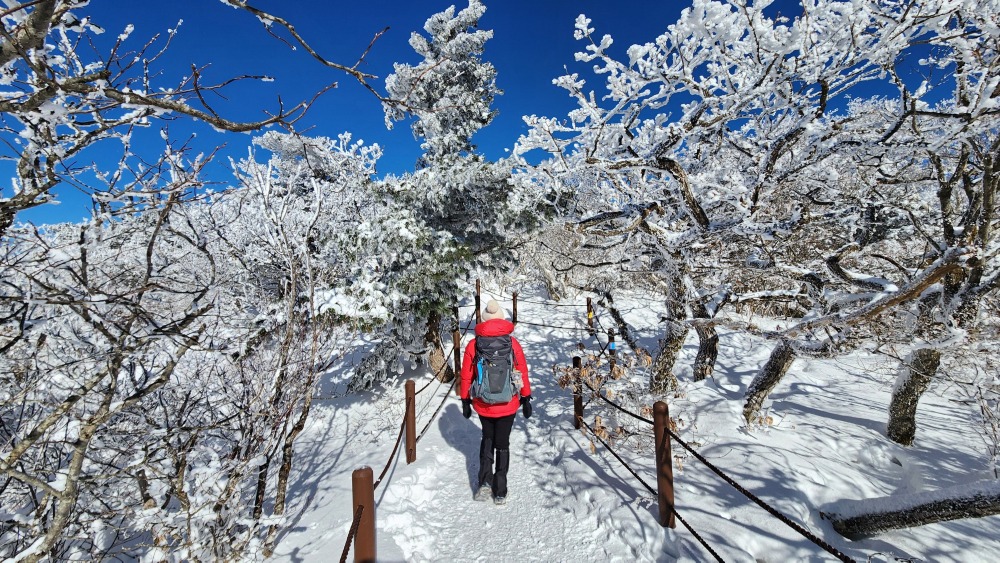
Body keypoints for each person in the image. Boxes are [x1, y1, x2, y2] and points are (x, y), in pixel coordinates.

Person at [460, 299, 531, 505]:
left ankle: (484, 483)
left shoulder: (474, 345)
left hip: (483, 403)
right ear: (500, 318)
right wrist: (526, 397)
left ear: (483, 320)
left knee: (487, 439)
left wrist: (465, 399)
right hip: (508, 403)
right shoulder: (512, 343)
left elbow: (466, 375)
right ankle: (500, 490)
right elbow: (522, 373)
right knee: (503, 443)